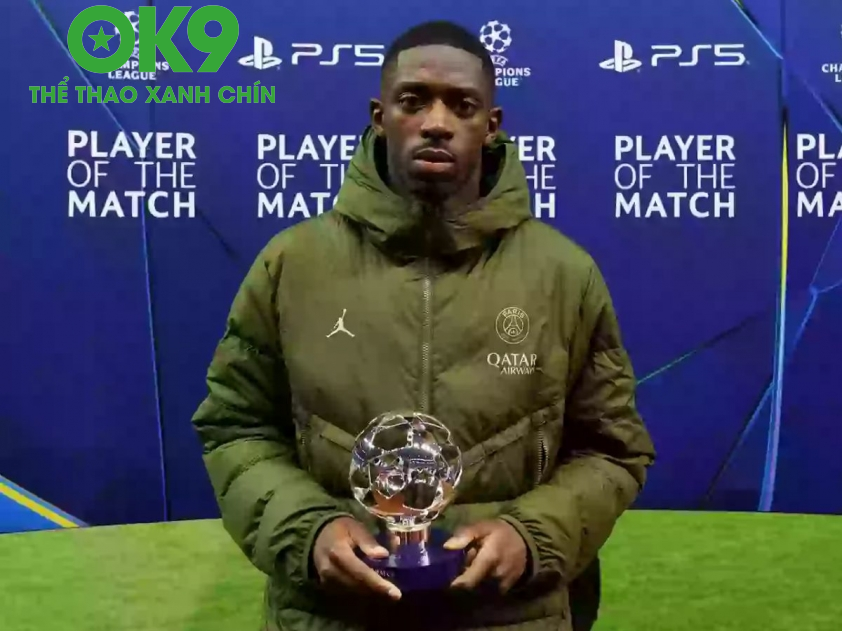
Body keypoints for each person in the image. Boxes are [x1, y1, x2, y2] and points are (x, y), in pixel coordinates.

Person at [191, 19, 656, 631]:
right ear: (380, 116)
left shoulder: (564, 274)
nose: (437, 122)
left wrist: (532, 535)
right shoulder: (292, 265)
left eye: (462, 105)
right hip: (334, 617)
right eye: (414, 101)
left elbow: (612, 448)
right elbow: (235, 428)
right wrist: (308, 531)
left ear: (491, 125)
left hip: (510, 617)